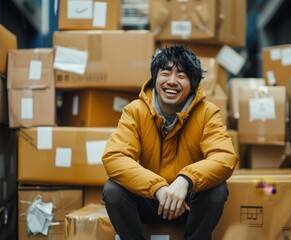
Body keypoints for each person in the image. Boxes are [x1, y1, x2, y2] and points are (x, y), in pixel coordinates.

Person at [101, 45, 238, 240]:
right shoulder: (135, 111)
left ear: (193, 83)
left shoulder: (207, 113)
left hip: (188, 204)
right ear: (155, 78)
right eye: (165, 73)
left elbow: (225, 157)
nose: (172, 81)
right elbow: (114, 157)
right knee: (113, 189)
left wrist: (186, 180)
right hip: (150, 201)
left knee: (217, 189)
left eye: (182, 76)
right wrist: (157, 188)